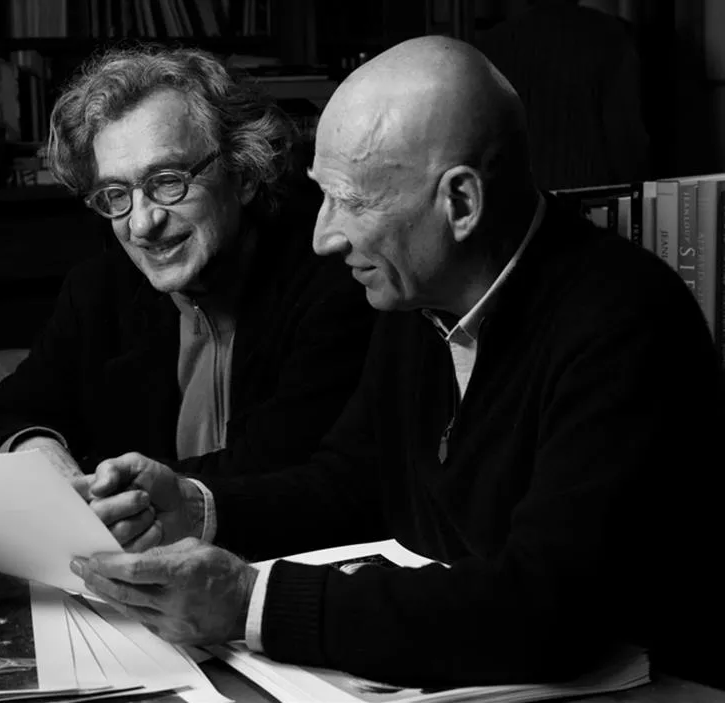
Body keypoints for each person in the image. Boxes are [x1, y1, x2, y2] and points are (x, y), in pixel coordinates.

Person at [69, 36, 725, 689]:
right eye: (321, 197)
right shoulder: (414, 298)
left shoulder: (627, 321)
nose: (323, 237)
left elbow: (545, 608)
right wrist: (197, 506)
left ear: (460, 203)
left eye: (352, 202)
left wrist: (251, 603)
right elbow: (350, 485)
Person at [0, 46, 376, 502]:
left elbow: (275, 471)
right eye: (116, 194)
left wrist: (95, 484)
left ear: (242, 174)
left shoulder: (334, 286)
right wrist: (39, 451)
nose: (141, 224)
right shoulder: (99, 291)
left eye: (168, 181)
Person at [472, 0, 650, 190]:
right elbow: (626, 144)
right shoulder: (610, 36)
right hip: (590, 195)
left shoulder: (491, 44)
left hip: (516, 196)